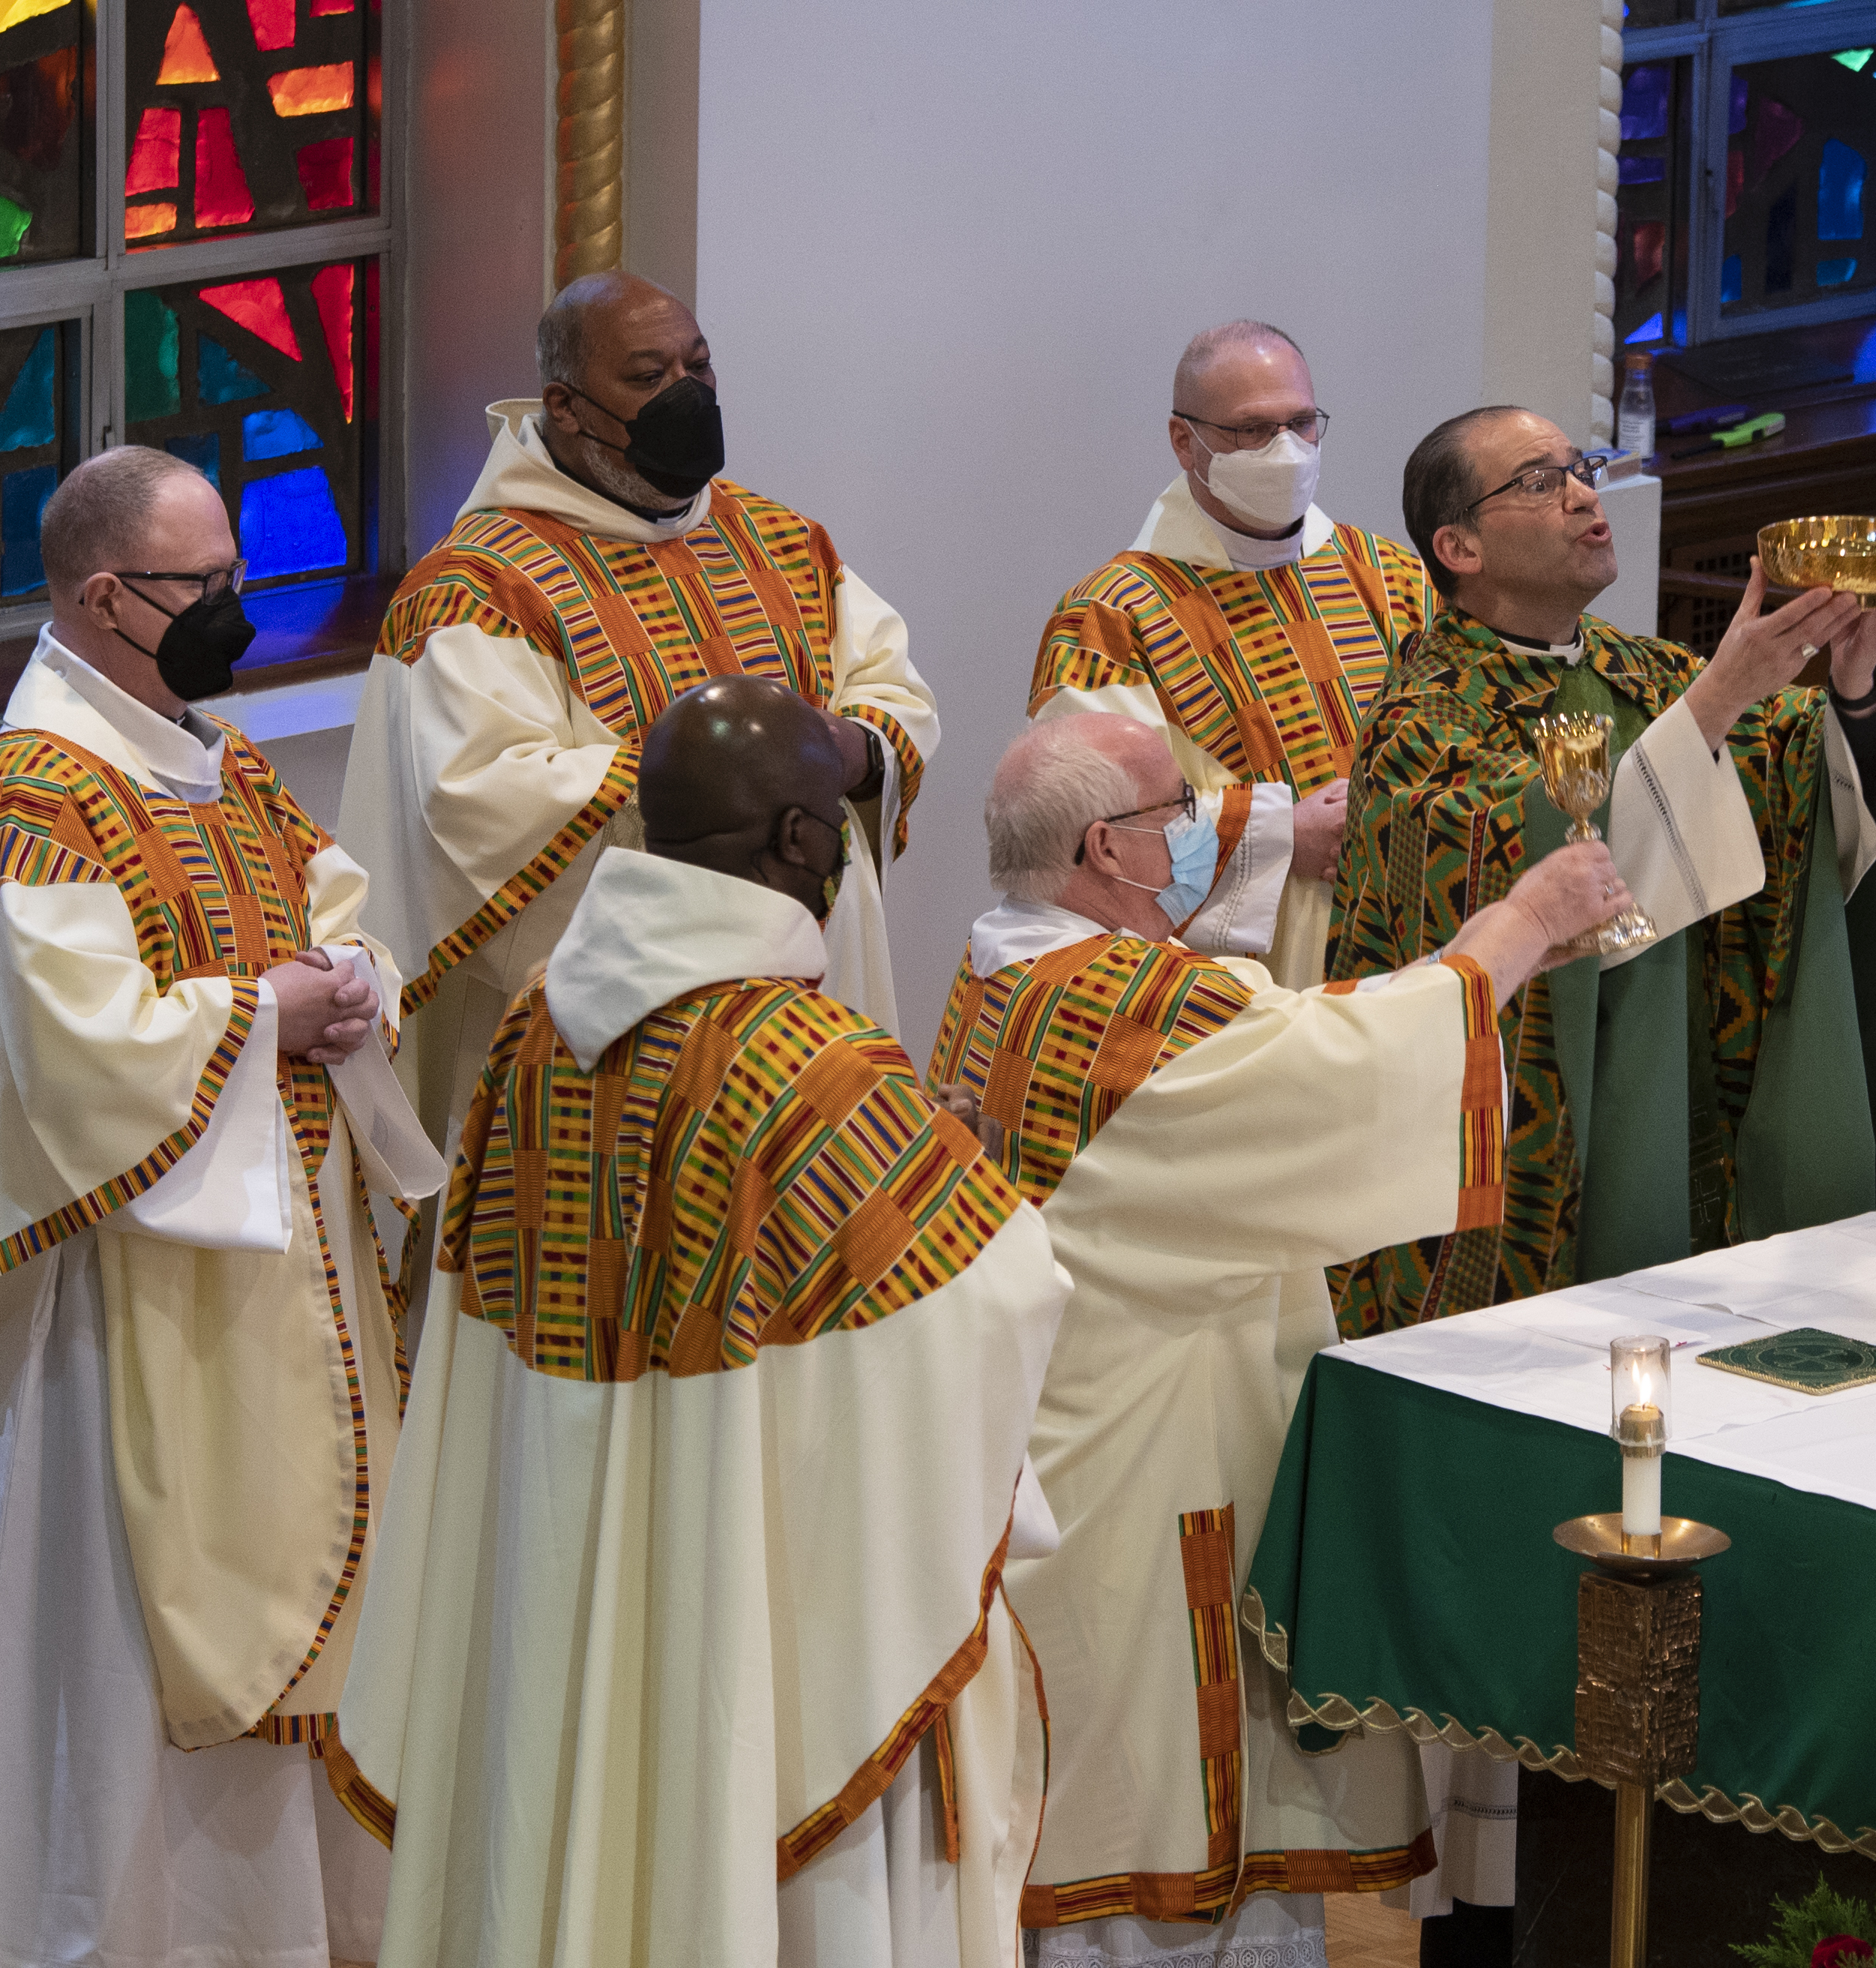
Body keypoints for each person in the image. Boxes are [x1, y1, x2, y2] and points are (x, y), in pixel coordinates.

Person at [339, 676, 1066, 1966]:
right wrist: (966, 1166)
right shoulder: (813, 1066)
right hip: (746, 1616)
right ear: (799, 840)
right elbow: (1000, 1299)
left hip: (551, 1593)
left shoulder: (531, 1032)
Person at [928, 714, 1624, 1968]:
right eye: (1174, 810)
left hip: (1059, 1447)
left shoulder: (995, 970)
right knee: (1166, 1873)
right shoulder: (1129, 1006)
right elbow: (1349, 1076)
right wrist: (1519, 922)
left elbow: (1302, 1058)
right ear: (1110, 848)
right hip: (1149, 1475)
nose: (1201, 831)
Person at [0, 446, 434, 1963]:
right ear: (104, 595)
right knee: (120, 1650)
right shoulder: (31, 797)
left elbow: (330, 903)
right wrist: (268, 1008)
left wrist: (345, 980)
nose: (235, 611)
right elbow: (74, 1056)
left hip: (283, 1262)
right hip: (117, 1312)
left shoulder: (212, 752)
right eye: (207, 587)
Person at [1330, 407, 1876, 1337]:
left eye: (1581, 468)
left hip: (1704, 1092)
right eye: (1538, 481)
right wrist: (1716, 700)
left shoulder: (1648, 672)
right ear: (1457, 545)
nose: (1584, 494)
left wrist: (1853, 687)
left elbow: (1795, 791)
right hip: (1564, 1142)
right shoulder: (1423, 718)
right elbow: (1518, 867)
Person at [340, 268, 939, 1161]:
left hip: (811, 982)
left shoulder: (777, 540)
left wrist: (851, 747)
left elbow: (889, 686)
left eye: (699, 366)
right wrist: (721, 773)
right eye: (648, 377)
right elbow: (478, 797)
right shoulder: (480, 589)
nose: (686, 393)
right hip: (610, 1018)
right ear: (567, 406)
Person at [1030, 322, 1431, 987]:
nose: (1285, 450)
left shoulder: (1394, 579)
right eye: (1252, 430)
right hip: (1243, 990)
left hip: (1413, 942)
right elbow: (1087, 829)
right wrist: (1280, 836)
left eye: (1302, 424)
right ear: (1184, 441)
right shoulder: (1109, 620)